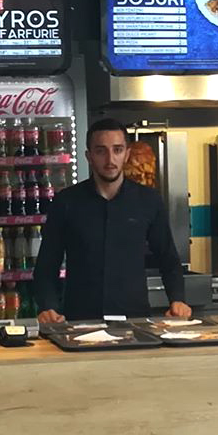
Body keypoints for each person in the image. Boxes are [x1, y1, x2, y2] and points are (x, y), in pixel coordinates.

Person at [35, 118, 190, 323]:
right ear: (89, 156)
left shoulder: (148, 200)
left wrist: (177, 299)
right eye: (101, 151)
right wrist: (48, 305)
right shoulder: (66, 202)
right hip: (80, 321)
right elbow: (47, 265)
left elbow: (168, 258)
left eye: (117, 150)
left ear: (127, 154)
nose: (110, 159)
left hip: (135, 320)